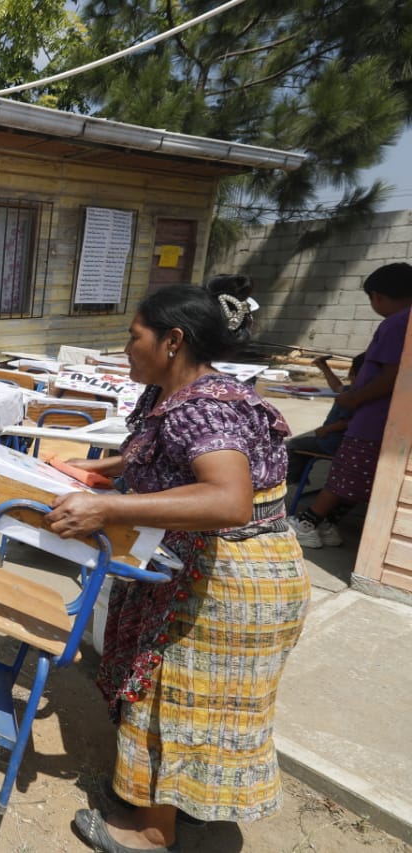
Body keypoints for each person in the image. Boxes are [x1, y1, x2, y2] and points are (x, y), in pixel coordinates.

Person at [43, 284, 310, 853]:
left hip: (226, 584)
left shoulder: (203, 406)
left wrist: (109, 505)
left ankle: (148, 836)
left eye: (133, 337)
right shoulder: (176, 392)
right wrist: (98, 471)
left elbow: (228, 499)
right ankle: (181, 811)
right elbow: (159, 456)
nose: (126, 349)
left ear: (173, 340)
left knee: (174, 701)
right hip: (217, 575)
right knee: (191, 704)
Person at [288, 263, 412, 548]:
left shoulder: (395, 323)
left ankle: (308, 521)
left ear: (377, 297)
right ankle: (328, 524)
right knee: (358, 479)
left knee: (343, 478)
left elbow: (392, 375)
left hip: (371, 421)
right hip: (381, 421)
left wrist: (354, 399)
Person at [283, 353, 363, 487]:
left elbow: (348, 421)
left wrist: (326, 429)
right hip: (348, 445)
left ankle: (292, 479)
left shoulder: (351, 395)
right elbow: (337, 387)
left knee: (292, 444)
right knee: (304, 444)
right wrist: (324, 367)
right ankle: (299, 475)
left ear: (351, 373)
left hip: (332, 443)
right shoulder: (365, 391)